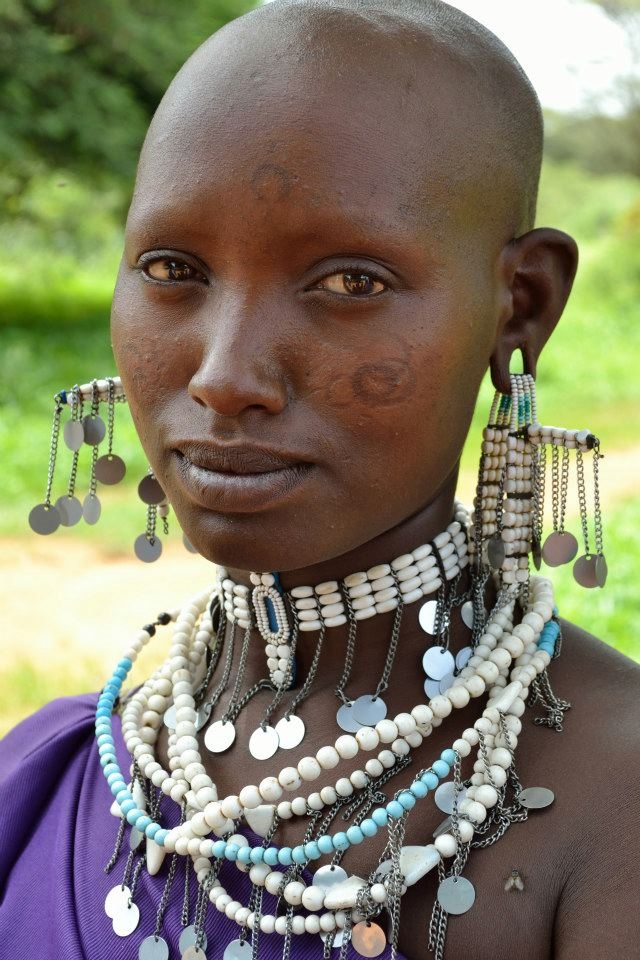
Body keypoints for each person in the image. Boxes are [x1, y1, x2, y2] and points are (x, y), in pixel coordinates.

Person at [2, 1, 638, 958]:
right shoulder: (51, 773)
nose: (225, 376)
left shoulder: (616, 800)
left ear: (521, 305)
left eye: (351, 283)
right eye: (172, 267)